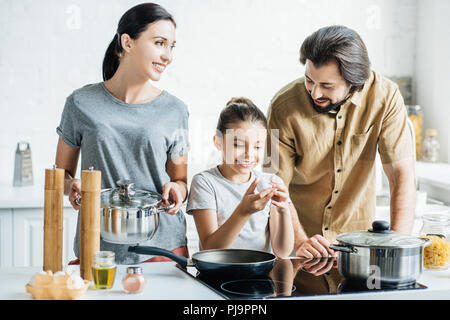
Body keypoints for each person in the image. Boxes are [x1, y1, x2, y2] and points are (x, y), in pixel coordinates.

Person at [263, 25, 416, 258]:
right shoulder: (282, 106)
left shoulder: (387, 98)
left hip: (360, 249)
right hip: (299, 247)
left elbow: (401, 176)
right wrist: (301, 242)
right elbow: (273, 186)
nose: (314, 93)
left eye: (327, 85)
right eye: (309, 80)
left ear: (354, 81)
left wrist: (396, 252)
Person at [55, 3, 190, 264]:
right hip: (96, 248)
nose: (168, 56)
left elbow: (181, 181)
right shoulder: (80, 103)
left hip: (162, 250)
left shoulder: (175, 110)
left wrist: (178, 190)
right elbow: (61, 175)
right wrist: (71, 186)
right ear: (127, 42)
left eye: (171, 47)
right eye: (160, 43)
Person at [186, 98, 294, 258]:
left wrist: (284, 209)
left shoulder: (271, 183)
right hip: (216, 277)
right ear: (218, 142)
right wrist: (243, 212)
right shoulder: (205, 182)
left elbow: (282, 251)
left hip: (260, 276)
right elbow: (210, 250)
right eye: (238, 145)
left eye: (257, 146)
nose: (249, 154)